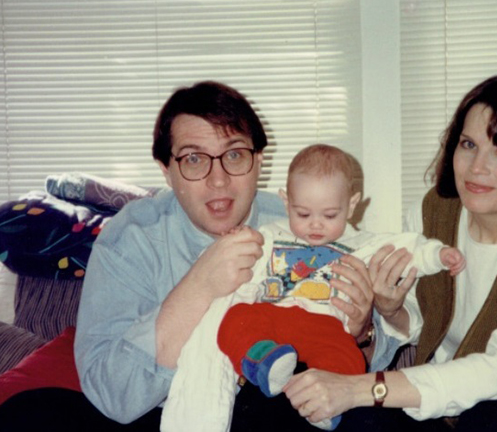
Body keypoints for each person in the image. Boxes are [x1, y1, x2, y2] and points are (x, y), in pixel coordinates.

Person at [0, 81, 376, 431]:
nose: (218, 179)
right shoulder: (131, 237)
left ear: (259, 160)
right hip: (160, 411)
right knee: (29, 411)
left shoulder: (304, 221)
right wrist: (199, 286)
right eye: (194, 159)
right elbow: (112, 395)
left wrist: (365, 329)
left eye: (234, 154)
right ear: (166, 170)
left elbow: (361, 362)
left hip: (273, 405)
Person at [281, 74, 497, 432]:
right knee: (360, 421)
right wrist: (392, 310)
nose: (477, 167)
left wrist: (363, 388)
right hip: (443, 415)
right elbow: (423, 321)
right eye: (468, 144)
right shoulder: (433, 213)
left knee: (491, 420)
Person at [161, 144, 465, 432]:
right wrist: (235, 238)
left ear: (352, 205)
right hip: (272, 319)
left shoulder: (363, 243)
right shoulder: (269, 234)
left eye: (329, 215)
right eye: (303, 214)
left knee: (347, 357)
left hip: (324, 326)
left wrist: (438, 255)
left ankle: (325, 410)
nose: (315, 225)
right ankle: (264, 361)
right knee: (233, 320)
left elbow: (408, 247)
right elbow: (218, 262)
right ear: (285, 202)